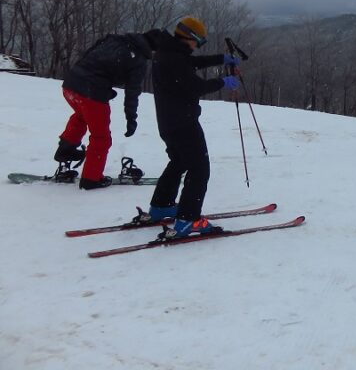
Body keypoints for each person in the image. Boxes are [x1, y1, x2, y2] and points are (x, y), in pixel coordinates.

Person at [143, 17, 241, 239]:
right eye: (200, 41)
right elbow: (195, 86)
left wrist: (221, 58)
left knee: (179, 162)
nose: (198, 46)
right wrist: (223, 82)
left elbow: (191, 63)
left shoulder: (168, 52)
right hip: (183, 123)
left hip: (168, 122)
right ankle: (188, 219)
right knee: (199, 168)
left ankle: (162, 206)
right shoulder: (174, 59)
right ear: (191, 37)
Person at [56, 29, 163, 189]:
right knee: (101, 138)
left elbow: (89, 54)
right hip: (91, 93)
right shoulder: (138, 60)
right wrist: (131, 118)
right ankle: (91, 179)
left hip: (70, 84)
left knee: (81, 115)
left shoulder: (114, 39)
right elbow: (132, 92)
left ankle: (65, 150)